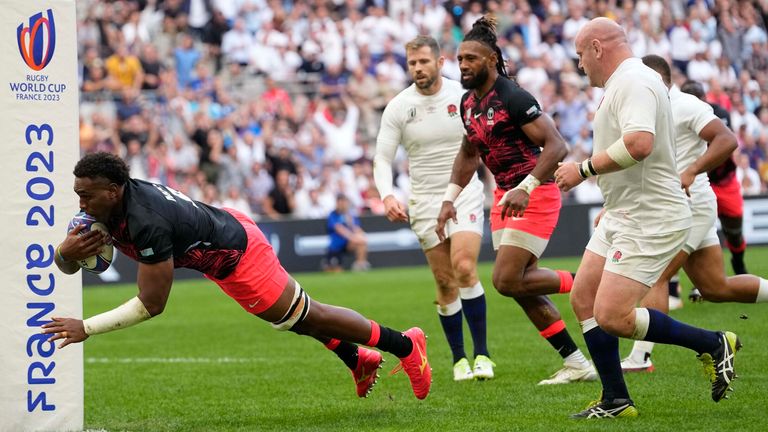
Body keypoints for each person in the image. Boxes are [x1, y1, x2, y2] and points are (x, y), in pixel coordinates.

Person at [42, 152, 432, 400]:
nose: (81, 203)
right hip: (218, 249)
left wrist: (87, 328)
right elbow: (72, 263)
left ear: (113, 191)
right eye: (78, 194)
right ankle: (357, 358)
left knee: (307, 314)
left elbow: (153, 304)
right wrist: (64, 254)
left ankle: (405, 345)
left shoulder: (147, 220)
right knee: (287, 318)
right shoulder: (100, 209)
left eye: (87, 195)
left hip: (237, 251)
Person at [554, 18, 742, 418]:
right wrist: (612, 196)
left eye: (580, 55)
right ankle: (616, 401)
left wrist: (583, 169)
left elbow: (639, 144)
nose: (579, 65)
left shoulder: (634, 81)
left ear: (597, 48)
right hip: (625, 210)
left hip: (650, 215)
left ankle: (712, 343)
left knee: (612, 315)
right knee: (583, 298)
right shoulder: (621, 83)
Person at [437, 16, 597, 386]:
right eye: (460, 59)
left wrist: (526, 186)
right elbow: (468, 152)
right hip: (504, 196)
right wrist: (450, 198)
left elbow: (557, 145)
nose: (463, 65)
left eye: (471, 59)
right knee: (523, 286)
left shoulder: (513, 96)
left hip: (534, 193)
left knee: (507, 280)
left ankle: (593, 279)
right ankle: (576, 363)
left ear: (491, 61)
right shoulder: (467, 103)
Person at [618, 57, 768, 373]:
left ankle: (641, 358)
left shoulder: (686, 105)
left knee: (657, 275)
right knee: (716, 287)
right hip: (682, 206)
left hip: (692, 205)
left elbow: (727, 139)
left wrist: (692, 170)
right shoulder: (647, 109)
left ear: (657, 78)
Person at [374, 35, 493, 381]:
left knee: (465, 266)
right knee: (444, 282)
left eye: (424, 62)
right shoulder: (399, 106)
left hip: (464, 192)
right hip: (424, 200)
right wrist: (387, 195)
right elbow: (382, 157)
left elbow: (487, 141)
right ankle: (459, 359)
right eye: (412, 63)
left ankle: (483, 354)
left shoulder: (463, 96)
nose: (417, 69)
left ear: (441, 63)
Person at [680, 80, 750, 279]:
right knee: (685, 231)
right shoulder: (675, 114)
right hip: (694, 182)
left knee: (734, 233)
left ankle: (738, 261)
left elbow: (725, 144)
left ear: (704, 100)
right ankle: (681, 285)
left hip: (723, 180)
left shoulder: (719, 115)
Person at [325, 194, 371, 272]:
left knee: (362, 243)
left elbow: (357, 228)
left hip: (349, 244)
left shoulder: (350, 215)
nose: (343, 204)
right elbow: (339, 229)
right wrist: (354, 238)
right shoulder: (333, 215)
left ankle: (360, 264)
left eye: (344, 202)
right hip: (336, 246)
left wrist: (361, 236)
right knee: (335, 271)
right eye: (341, 202)